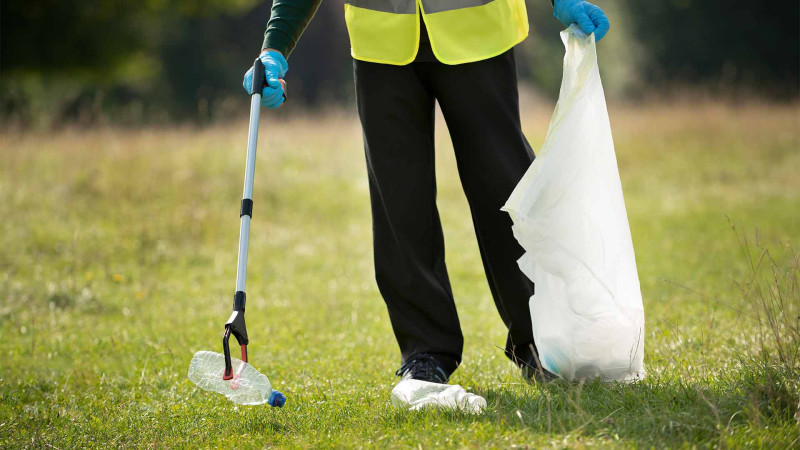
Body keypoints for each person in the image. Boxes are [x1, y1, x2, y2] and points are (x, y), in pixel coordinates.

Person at [243, 0, 610, 384]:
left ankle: (541, 342)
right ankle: (425, 353)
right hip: (379, 42)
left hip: (477, 32)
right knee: (399, 202)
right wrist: (275, 46)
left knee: (506, 190)